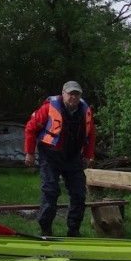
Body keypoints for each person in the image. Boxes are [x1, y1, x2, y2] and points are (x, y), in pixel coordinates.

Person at [24, 81, 96, 237]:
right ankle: (46, 230)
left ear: (80, 96)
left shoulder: (85, 111)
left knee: (79, 194)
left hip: (73, 156)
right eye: (70, 93)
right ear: (63, 93)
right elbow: (30, 128)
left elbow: (91, 135)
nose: (73, 97)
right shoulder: (48, 108)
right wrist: (29, 152)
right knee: (50, 192)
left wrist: (89, 155)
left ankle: (74, 230)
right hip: (51, 155)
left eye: (76, 94)